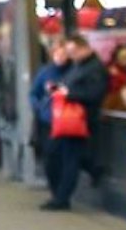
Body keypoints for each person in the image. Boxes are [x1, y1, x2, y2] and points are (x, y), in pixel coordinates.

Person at [45, 35, 108, 211]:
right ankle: (91, 170)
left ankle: (61, 198)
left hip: (79, 121)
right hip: (70, 120)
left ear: (84, 48)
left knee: (69, 159)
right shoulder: (79, 66)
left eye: (73, 52)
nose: (71, 56)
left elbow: (94, 94)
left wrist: (68, 93)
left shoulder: (95, 69)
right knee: (60, 156)